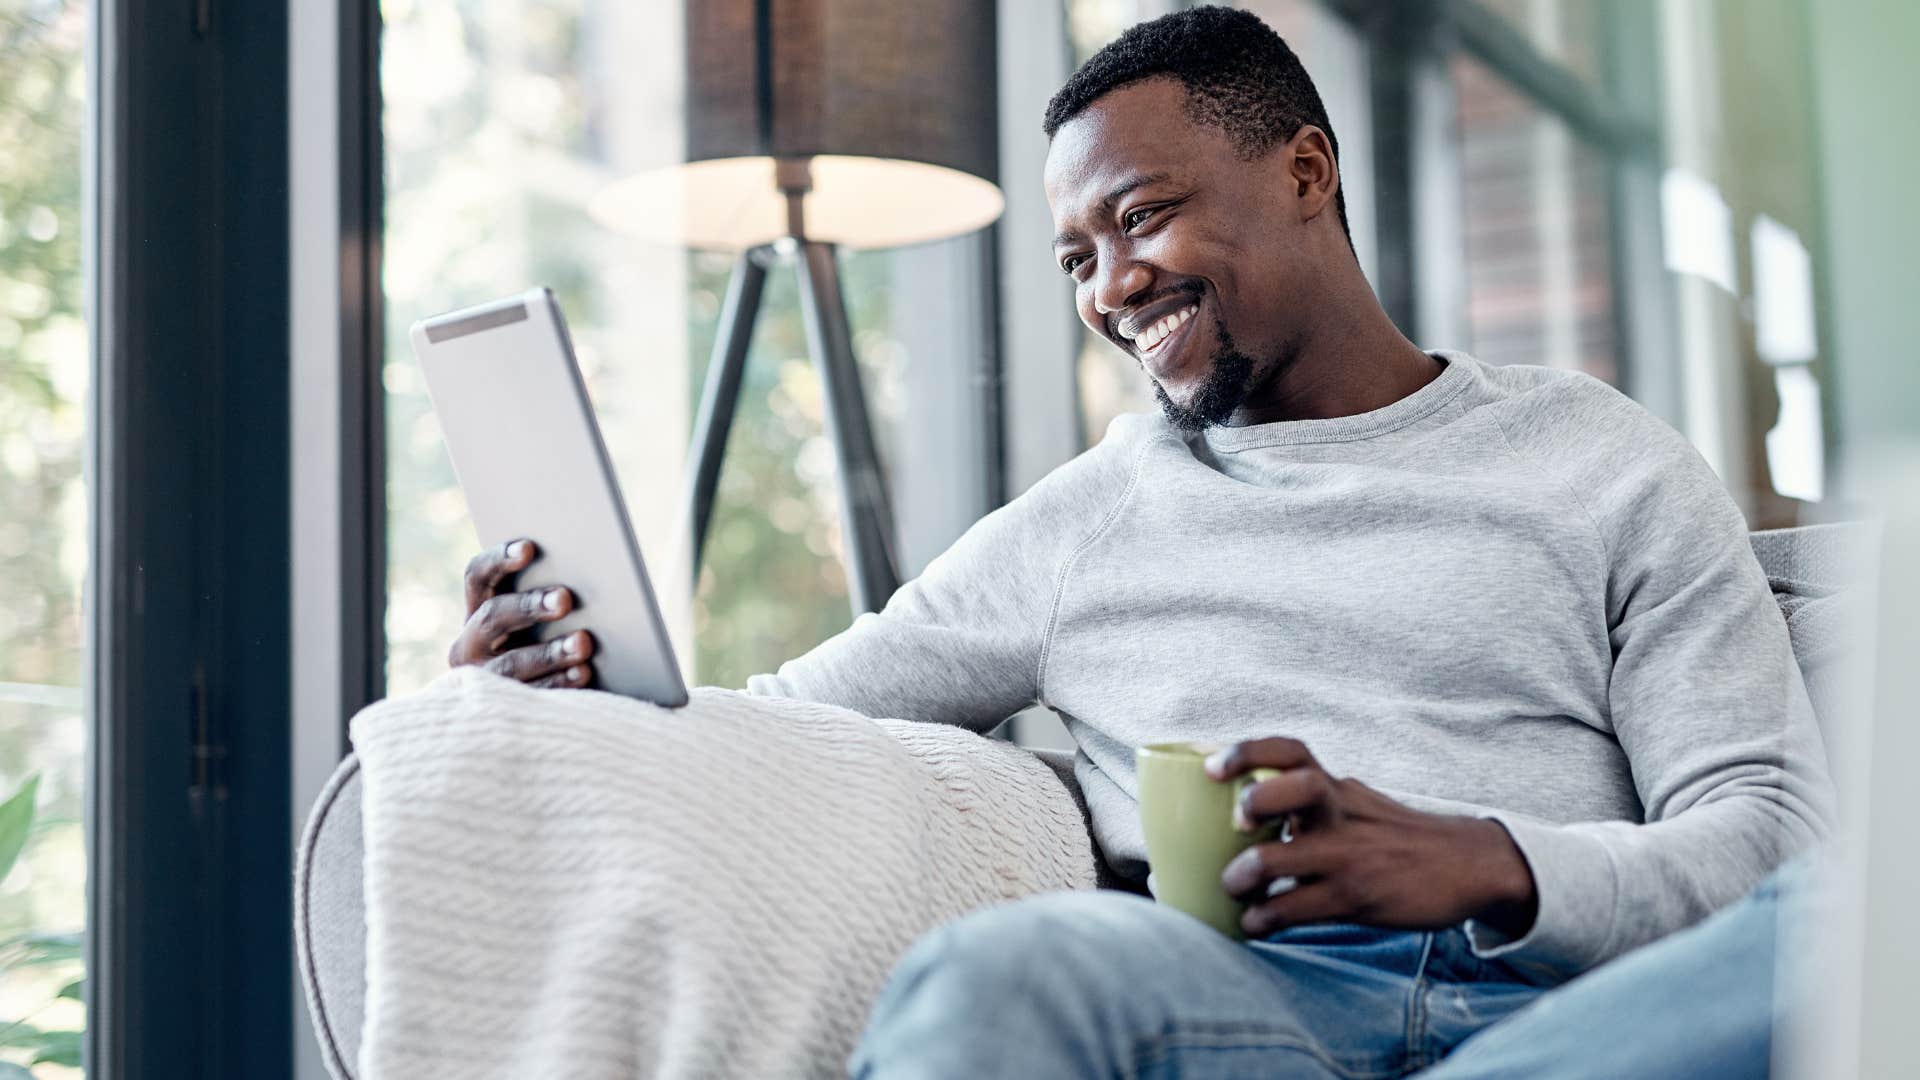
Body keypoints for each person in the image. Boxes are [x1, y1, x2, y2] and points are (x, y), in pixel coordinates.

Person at [446, 7, 1834, 1076]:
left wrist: (1486, 859)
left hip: (1579, 1020)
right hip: (1257, 1019)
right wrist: (571, 691)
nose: (1112, 288)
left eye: (1142, 216)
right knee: (1001, 975)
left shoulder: (1599, 457)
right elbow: (780, 724)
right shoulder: (1082, 524)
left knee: (1853, 912)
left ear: (1304, 173)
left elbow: (1769, 837)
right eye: (1073, 259)